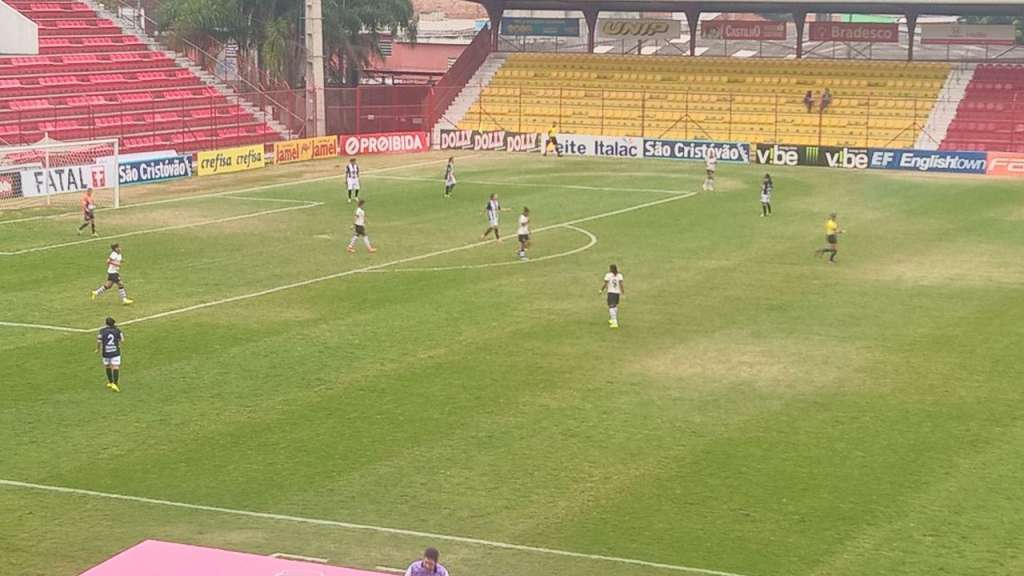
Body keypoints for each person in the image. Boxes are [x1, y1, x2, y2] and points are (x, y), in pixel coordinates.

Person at [96, 317, 124, 392]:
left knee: (107, 366)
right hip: (115, 351)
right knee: (115, 367)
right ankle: (115, 384)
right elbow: (122, 339)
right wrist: (119, 344)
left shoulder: (102, 331)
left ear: (106, 323)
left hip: (106, 352)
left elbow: (99, 341)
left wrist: (98, 349)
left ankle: (110, 382)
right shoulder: (117, 330)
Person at [600, 264, 624, 329]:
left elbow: (605, 284)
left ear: (611, 269)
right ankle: (612, 319)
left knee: (611, 307)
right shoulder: (620, 275)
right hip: (617, 293)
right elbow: (621, 285)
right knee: (615, 306)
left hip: (611, 293)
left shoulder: (608, 275)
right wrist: (622, 293)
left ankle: (614, 322)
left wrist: (601, 290)